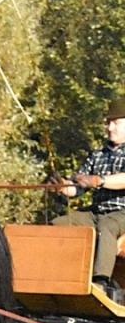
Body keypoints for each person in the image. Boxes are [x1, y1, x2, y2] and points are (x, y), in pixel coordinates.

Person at [54, 96, 125, 301]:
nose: (110, 128)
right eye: (108, 123)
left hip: (121, 214)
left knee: (107, 227)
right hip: (96, 212)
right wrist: (63, 187)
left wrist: (99, 181)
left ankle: (101, 282)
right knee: (59, 224)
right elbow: (78, 188)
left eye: (116, 123)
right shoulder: (97, 155)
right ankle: (61, 276)